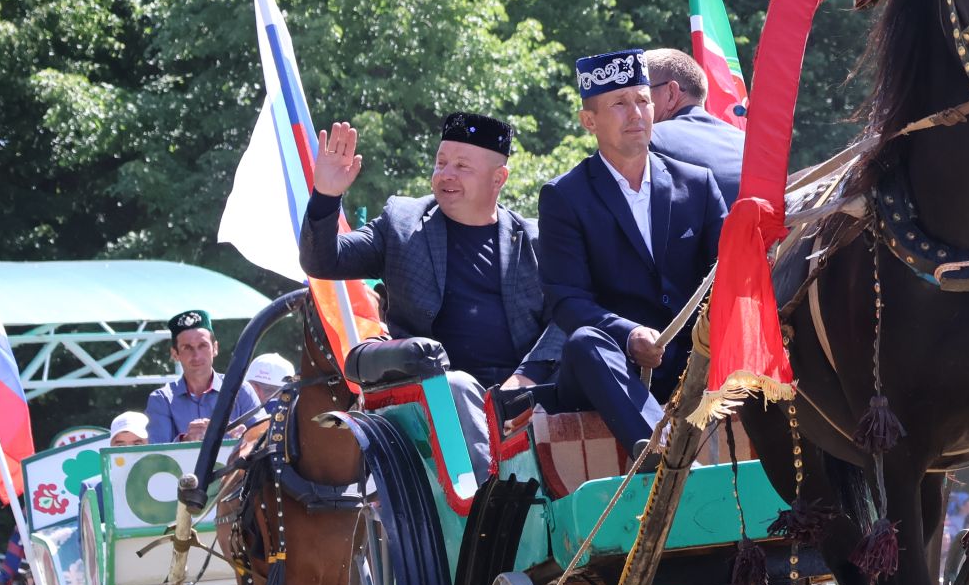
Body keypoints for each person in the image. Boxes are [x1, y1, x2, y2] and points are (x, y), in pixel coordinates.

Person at [301, 114, 566, 470]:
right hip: (432, 395)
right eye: (441, 163)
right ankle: (487, 501)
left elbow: (567, 314)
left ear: (498, 178)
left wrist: (525, 378)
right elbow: (322, 261)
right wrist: (326, 196)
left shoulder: (534, 240)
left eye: (461, 166)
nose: (446, 175)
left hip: (523, 391)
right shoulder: (402, 224)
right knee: (455, 387)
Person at [537, 50, 727, 457]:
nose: (636, 113)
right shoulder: (564, 197)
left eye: (642, 100)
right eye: (619, 104)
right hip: (610, 369)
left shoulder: (698, 184)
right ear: (589, 121)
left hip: (693, 362)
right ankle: (663, 454)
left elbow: (726, 274)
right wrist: (629, 334)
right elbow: (567, 302)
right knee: (585, 342)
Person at [643, 48, 745, 203]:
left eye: (641, 94)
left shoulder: (649, 140)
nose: (633, 107)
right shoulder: (748, 143)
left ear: (671, 93)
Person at [144, 309, 261, 444]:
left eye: (203, 346)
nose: (197, 355)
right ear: (175, 354)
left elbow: (265, 439)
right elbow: (158, 457)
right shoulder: (161, 400)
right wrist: (186, 440)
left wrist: (246, 437)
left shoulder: (241, 390)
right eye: (187, 348)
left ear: (215, 348)